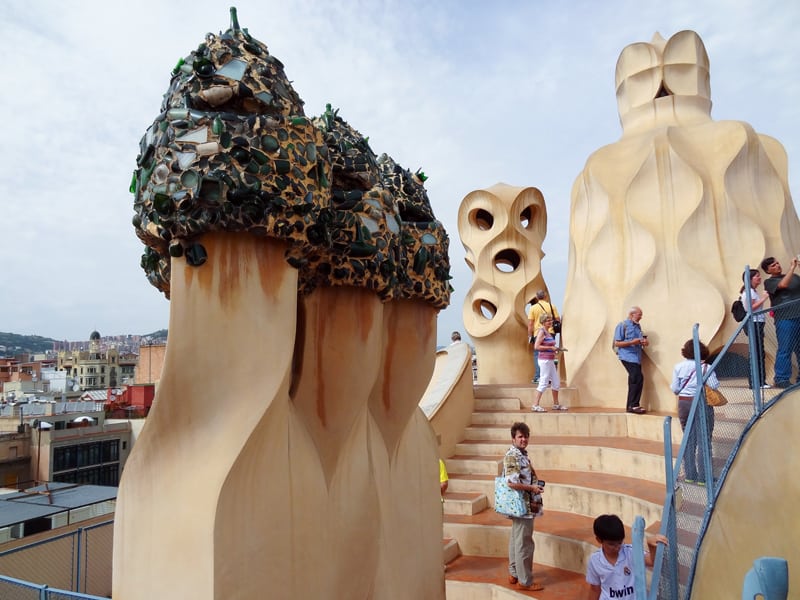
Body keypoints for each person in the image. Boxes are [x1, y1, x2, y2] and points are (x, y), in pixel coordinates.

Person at [670, 340, 720, 485]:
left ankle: (690, 474)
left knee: (689, 438)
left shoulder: (678, 367)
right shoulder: (705, 367)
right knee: (704, 440)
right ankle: (704, 477)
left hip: (684, 403)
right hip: (701, 402)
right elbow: (714, 385)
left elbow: (675, 389)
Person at [585, 514, 668, 600]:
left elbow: (651, 561)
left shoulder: (631, 552)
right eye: (611, 544)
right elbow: (595, 589)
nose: (617, 547)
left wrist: (651, 546)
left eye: (620, 542)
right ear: (599, 540)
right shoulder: (594, 560)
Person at [503, 422, 544, 592]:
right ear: (513, 438)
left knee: (516, 540)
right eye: (520, 436)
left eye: (526, 436)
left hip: (519, 505)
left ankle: (514, 573)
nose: (524, 439)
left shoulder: (521, 454)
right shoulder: (513, 455)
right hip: (522, 506)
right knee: (524, 543)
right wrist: (532, 488)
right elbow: (512, 483)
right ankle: (525, 581)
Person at [760, 256, 800, 388]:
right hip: (785, 318)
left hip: (798, 316)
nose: (777, 266)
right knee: (785, 348)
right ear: (768, 271)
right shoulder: (769, 282)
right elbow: (783, 285)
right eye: (773, 265)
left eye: (777, 263)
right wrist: (792, 267)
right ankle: (782, 378)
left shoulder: (794, 277)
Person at [613, 307, 649, 414]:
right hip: (627, 356)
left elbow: (638, 340)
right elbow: (617, 343)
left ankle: (631, 405)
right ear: (632, 314)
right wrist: (632, 342)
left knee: (636, 379)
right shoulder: (622, 325)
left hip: (636, 357)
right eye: (639, 314)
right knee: (637, 378)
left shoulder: (638, 327)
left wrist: (643, 342)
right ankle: (633, 405)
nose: (641, 317)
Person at [740, 269, 770, 389]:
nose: (759, 278)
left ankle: (760, 381)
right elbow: (750, 308)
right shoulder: (749, 292)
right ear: (750, 279)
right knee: (756, 352)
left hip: (758, 322)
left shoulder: (753, 291)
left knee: (759, 352)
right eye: (757, 276)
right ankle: (756, 382)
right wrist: (764, 298)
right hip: (754, 323)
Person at [531, 314, 567, 411]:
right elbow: (537, 346)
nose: (550, 322)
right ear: (543, 322)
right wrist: (550, 347)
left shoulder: (548, 332)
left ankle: (556, 404)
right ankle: (535, 405)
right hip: (544, 360)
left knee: (556, 382)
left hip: (550, 360)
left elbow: (548, 345)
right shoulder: (541, 332)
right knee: (543, 382)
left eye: (551, 320)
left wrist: (556, 349)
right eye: (548, 320)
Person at [527, 290, 560, 383]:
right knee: (550, 353)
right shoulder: (551, 306)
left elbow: (530, 323)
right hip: (550, 332)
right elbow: (557, 319)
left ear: (537, 298)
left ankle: (538, 376)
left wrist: (530, 335)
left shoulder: (533, 308)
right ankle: (549, 376)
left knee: (538, 354)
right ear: (545, 297)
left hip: (538, 333)